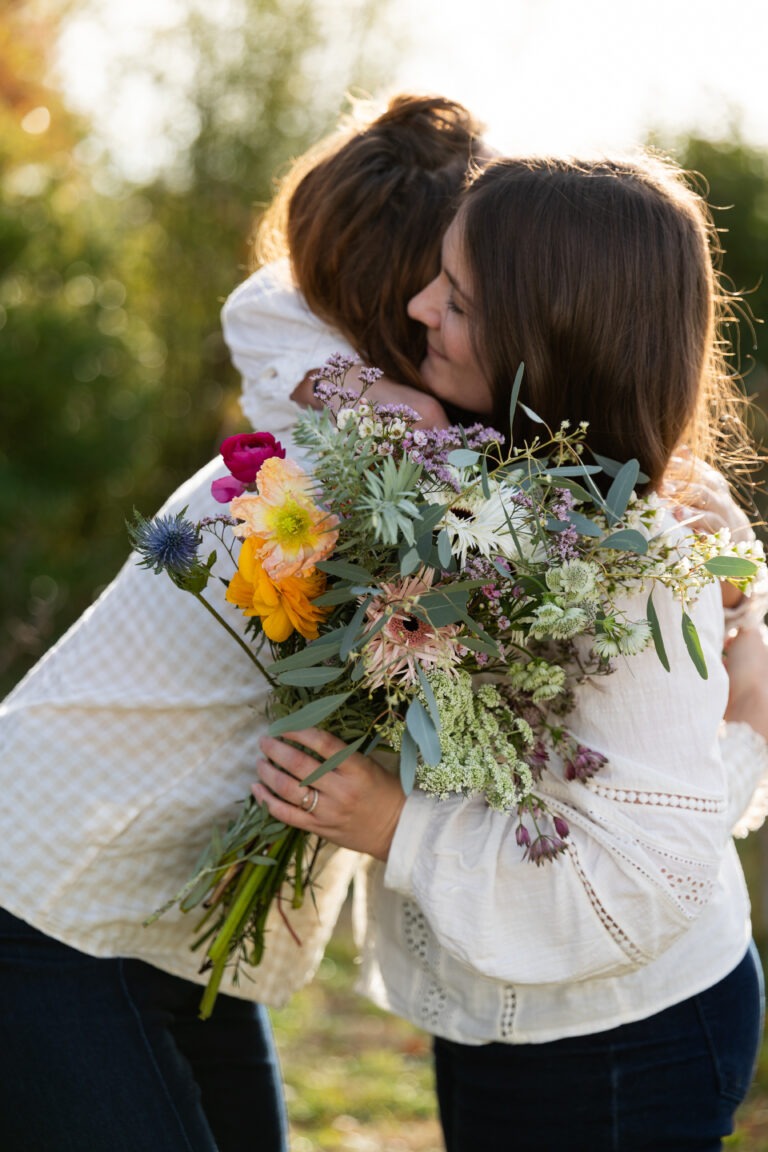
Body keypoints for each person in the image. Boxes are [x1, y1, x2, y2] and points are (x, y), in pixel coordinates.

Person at [0, 93, 486, 1152]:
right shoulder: (361, 465)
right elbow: (268, 299)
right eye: (470, 271)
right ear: (410, 295)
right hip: (40, 892)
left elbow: (269, 301)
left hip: (167, 907)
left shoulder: (346, 410)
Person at [253, 153, 768, 1151]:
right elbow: (263, 307)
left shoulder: (640, 557)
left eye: (456, 297)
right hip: (496, 1013)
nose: (413, 308)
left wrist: (400, 825)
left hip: (624, 1041)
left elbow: (652, 877)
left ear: (547, 326)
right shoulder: (480, 473)